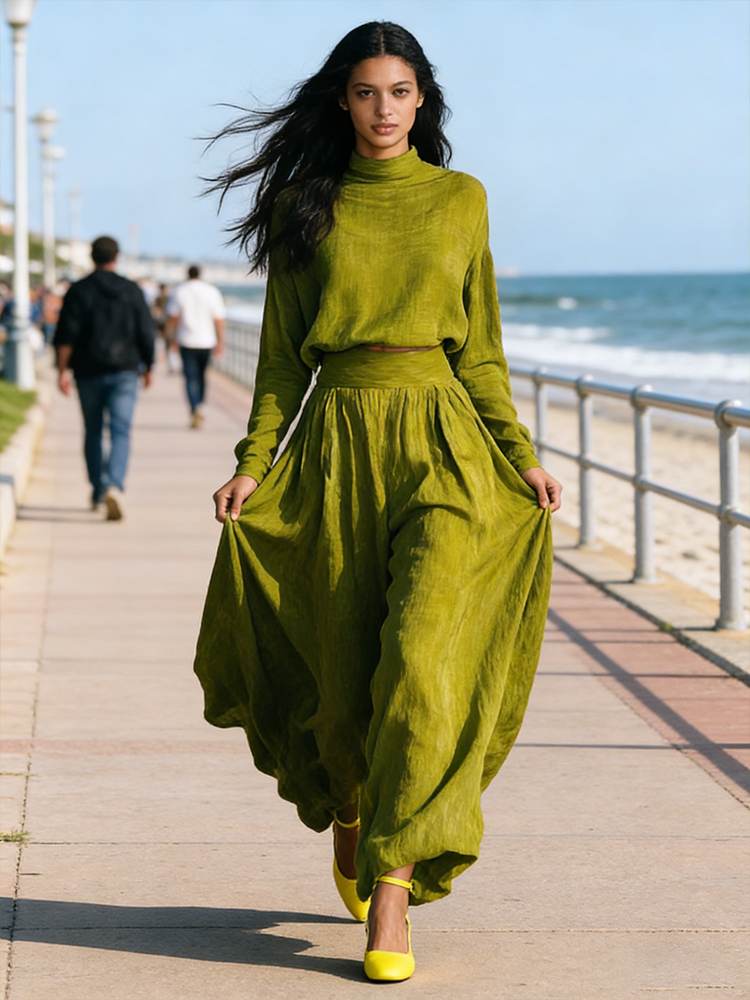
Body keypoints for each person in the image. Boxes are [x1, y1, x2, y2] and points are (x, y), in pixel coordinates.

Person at [194, 22, 561, 983]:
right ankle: (355, 811)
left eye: (400, 92)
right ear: (343, 102)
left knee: (424, 662)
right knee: (347, 669)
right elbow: (280, 358)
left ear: (424, 101)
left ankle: (391, 895)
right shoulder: (304, 206)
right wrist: (253, 461)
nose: (384, 110)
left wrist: (518, 455)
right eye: (365, 93)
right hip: (337, 442)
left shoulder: (459, 201)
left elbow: (478, 346)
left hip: (445, 445)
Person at [53, 235, 155, 520]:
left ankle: (99, 490)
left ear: (92, 257)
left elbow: (66, 335)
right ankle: (115, 485)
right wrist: (149, 365)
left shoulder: (78, 290)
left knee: (94, 431)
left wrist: (62, 370)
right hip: (125, 370)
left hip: (88, 371)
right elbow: (145, 330)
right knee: (121, 430)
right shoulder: (131, 289)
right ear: (116, 257)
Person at [165, 265, 225, 427]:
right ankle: (201, 406)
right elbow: (218, 319)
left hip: (186, 341)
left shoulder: (180, 291)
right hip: (207, 341)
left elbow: (173, 318)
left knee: (190, 377)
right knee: (202, 375)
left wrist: (172, 340)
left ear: (187, 274)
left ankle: (194, 408)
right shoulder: (212, 291)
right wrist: (221, 341)